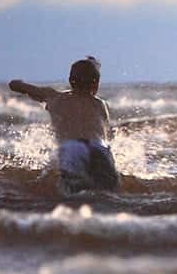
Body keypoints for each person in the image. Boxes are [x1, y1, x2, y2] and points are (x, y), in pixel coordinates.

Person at [8, 56, 119, 193]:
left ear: (70, 81)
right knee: (108, 191)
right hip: (98, 148)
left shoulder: (55, 97)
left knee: (74, 193)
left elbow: (18, 87)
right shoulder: (100, 104)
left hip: (72, 148)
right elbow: (107, 134)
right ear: (96, 84)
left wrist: (18, 83)